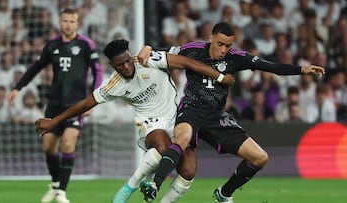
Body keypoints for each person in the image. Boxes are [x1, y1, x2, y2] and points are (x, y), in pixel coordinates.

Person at [139, 22, 325, 203]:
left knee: (260, 158)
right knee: (182, 137)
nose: (223, 50)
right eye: (220, 44)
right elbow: (165, 50)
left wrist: (303, 70)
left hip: (216, 117)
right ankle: (155, 184)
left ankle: (224, 193)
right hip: (191, 110)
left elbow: (272, 67)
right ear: (211, 38)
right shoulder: (193, 49)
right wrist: (148, 47)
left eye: (228, 46)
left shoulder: (236, 57)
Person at [35, 39, 235, 203]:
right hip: (150, 123)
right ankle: (132, 184)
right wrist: (54, 122)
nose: (126, 66)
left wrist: (219, 77)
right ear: (112, 66)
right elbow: (86, 104)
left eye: (127, 61)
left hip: (178, 117)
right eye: (120, 65)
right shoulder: (114, 83)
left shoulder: (148, 59)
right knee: (163, 147)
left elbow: (186, 62)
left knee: (189, 170)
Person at [7, 8, 102, 203]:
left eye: (72, 21)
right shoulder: (52, 45)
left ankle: (61, 193)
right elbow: (36, 67)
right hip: (54, 105)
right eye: (65, 21)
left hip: (76, 105)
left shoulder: (86, 44)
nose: (68, 24)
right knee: (48, 147)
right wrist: (18, 87)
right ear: (60, 22)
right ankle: (55, 183)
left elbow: (97, 71)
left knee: (68, 143)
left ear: (77, 24)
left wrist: (94, 99)